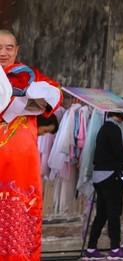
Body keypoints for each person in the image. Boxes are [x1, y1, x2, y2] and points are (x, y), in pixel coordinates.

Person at [0, 30, 62, 261]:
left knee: (19, 214)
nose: (4, 53)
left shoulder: (29, 76)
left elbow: (55, 95)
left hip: (21, 161)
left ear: (17, 50)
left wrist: (32, 96)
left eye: (9, 47)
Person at [84, 111, 123, 260]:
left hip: (99, 177)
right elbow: (119, 153)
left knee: (101, 214)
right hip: (110, 176)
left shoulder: (105, 127)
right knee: (114, 213)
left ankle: (91, 248)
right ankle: (114, 250)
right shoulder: (113, 128)